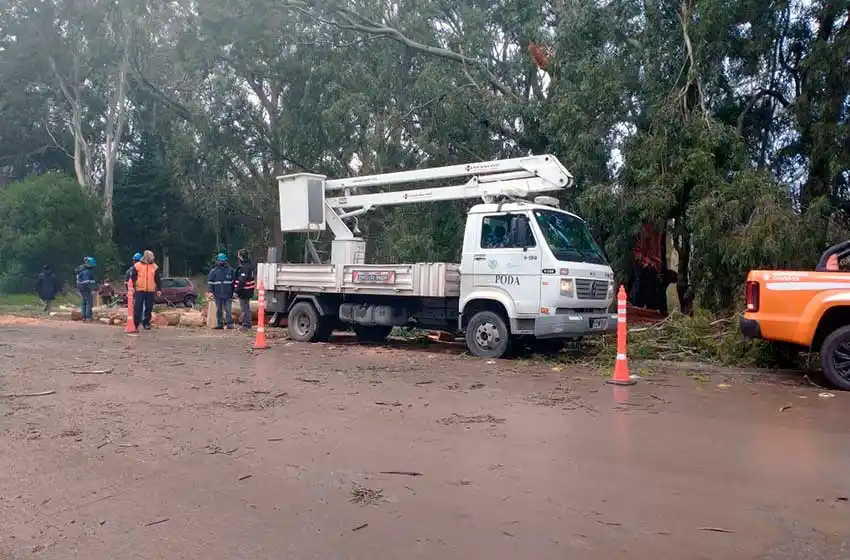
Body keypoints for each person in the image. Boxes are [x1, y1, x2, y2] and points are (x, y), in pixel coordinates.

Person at [130, 250, 162, 330]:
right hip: (139, 289)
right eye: (151, 256)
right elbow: (133, 277)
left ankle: (146, 323)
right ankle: (136, 323)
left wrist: (159, 289)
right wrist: (133, 287)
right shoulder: (137, 266)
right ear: (146, 257)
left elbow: (158, 279)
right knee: (138, 307)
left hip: (150, 290)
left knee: (149, 307)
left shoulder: (155, 267)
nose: (153, 258)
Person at [207, 252, 235, 330]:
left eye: (222, 260)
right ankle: (220, 324)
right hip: (217, 294)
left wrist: (234, 292)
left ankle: (229, 324)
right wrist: (210, 292)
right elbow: (210, 282)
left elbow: (234, 283)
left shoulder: (230, 271)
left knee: (228, 310)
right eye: (219, 260)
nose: (221, 262)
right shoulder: (213, 271)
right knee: (219, 310)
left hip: (228, 294)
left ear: (225, 261)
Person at [233, 249, 256, 331]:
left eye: (238, 255)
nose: (238, 257)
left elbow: (242, 280)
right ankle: (246, 324)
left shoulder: (244, 267)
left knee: (244, 308)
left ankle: (246, 325)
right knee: (246, 308)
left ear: (241, 257)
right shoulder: (248, 265)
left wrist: (236, 291)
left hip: (244, 291)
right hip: (248, 290)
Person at [74, 256, 97, 322]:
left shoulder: (80, 269)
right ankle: (88, 317)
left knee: (83, 302)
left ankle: (83, 317)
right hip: (86, 288)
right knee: (89, 302)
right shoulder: (87, 271)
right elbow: (88, 282)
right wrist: (93, 289)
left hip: (80, 287)